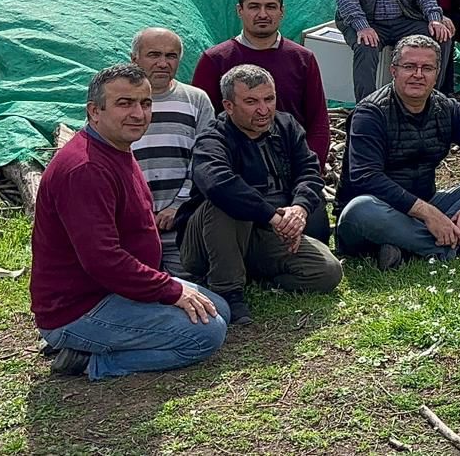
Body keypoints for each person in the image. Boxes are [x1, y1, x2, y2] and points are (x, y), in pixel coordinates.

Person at [29, 64, 229, 380]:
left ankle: (99, 342)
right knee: (207, 333)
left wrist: (164, 288)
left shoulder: (117, 147)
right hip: (81, 306)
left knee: (219, 309)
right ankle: (87, 361)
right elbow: (104, 260)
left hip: (117, 289)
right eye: (125, 103)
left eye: (145, 103)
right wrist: (172, 291)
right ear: (94, 111)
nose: (138, 113)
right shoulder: (86, 169)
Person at [335, 36, 460, 270]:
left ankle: (411, 247)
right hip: (377, 211)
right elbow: (366, 177)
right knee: (360, 209)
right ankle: (458, 245)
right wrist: (428, 214)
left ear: (437, 73)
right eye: (409, 66)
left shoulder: (447, 109)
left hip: (426, 205)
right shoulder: (370, 114)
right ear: (393, 70)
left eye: (427, 68)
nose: (418, 74)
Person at [180, 66, 342, 326]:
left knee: (327, 273)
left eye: (269, 99)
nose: (264, 109)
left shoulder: (287, 126)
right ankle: (227, 290)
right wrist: (272, 217)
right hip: (211, 237)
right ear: (228, 106)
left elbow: (309, 172)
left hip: (268, 234)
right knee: (228, 202)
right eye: (251, 102)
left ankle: (256, 276)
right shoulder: (213, 138)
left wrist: (299, 210)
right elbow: (218, 184)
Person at [192, 0, 332, 175]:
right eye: (254, 7)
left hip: (291, 169)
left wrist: (308, 172)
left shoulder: (302, 59)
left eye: (271, 7)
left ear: (282, 11)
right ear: (239, 10)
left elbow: (318, 122)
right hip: (233, 173)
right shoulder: (215, 60)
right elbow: (202, 123)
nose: (263, 14)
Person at [127, 27, 214, 276]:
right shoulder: (116, 103)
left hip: (181, 224)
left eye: (171, 56)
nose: (163, 63)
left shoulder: (196, 100)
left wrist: (179, 205)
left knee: (190, 288)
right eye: (154, 55)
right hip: (131, 226)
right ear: (134, 59)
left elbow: (205, 160)